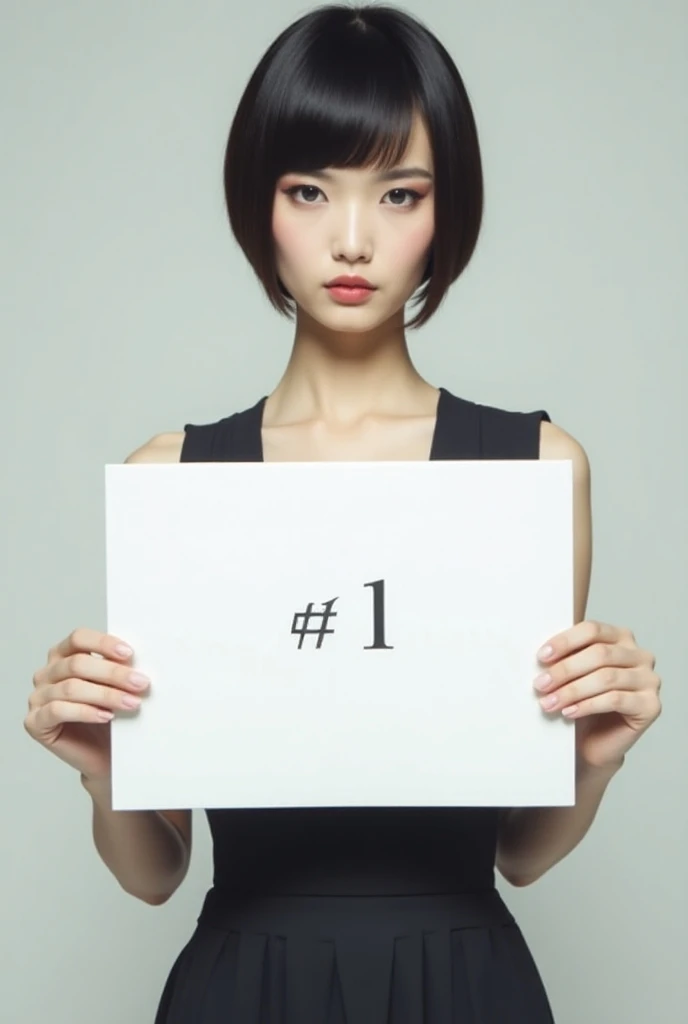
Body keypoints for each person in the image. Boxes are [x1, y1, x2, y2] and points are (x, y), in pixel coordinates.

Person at [25, 5, 662, 1022]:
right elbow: (154, 871)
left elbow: (518, 851)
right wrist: (108, 771)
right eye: (310, 190)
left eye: (398, 193)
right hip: (245, 980)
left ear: (444, 211)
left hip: (464, 979)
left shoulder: (533, 468)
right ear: (258, 203)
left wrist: (592, 760)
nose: (354, 238)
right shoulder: (176, 477)